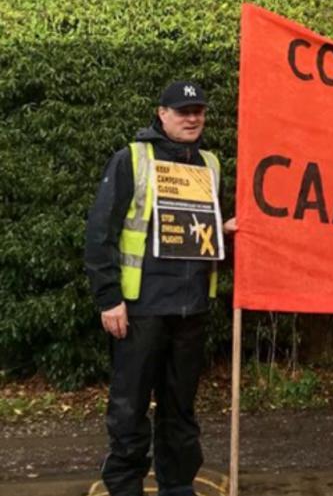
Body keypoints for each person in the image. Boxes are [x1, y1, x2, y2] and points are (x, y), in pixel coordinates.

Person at [85, 80, 234, 496]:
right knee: (129, 407)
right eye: (183, 111)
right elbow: (100, 233)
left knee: (180, 408)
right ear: (162, 114)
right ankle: (124, 486)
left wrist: (226, 231)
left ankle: (178, 484)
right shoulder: (132, 159)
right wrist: (109, 298)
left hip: (191, 307)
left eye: (198, 111)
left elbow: (204, 230)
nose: (192, 118)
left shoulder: (210, 164)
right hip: (141, 308)